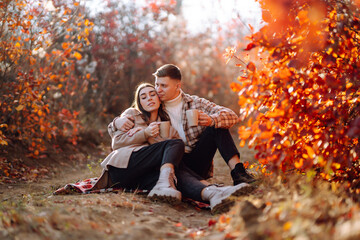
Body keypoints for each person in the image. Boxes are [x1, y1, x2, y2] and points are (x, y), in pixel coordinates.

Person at [105, 83, 253, 213]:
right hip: (125, 166)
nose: (149, 98)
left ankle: (213, 193)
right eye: (143, 97)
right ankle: (167, 183)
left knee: (177, 176)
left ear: (159, 99)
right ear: (139, 102)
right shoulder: (132, 115)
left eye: (152, 94)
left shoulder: (167, 125)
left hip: (146, 174)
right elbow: (116, 143)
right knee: (175, 145)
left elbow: (175, 159)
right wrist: (143, 132)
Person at [116, 64, 256, 186]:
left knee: (217, 126)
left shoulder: (195, 103)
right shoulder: (154, 104)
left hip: (195, 161)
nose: (158, 89)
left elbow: (231, 116)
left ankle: (239, 174)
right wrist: (118, 121)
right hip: (169, 162)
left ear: (178, 86)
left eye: (163, 86)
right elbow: (133, 114)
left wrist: (210, 120)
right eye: (157, 84)